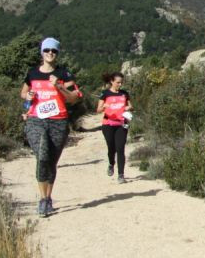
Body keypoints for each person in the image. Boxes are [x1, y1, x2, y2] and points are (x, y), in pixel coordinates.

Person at [20, 37, 82, 217]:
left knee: (52, 161)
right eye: (47, 50)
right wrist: (28, 96)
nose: (50, 53)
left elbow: (74, 98)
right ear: (41, 52)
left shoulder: (64, 74)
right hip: (35, 120)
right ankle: (41, 198)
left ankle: (48, 198)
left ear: (57, 54)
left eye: (54, 51)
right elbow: (23, 92)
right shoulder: (32, 73)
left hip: (58, 121)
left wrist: (59, 87)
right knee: (42, 155)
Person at [96, 71, 132, 183]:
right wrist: (104, 106)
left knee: (120, 148)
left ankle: (121, 175)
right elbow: (98, 110)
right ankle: (111, 163)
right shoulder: (105, 93)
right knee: (111, 148)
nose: (120, 85)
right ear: (112, 81)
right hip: (108, 124)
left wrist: (128, 108)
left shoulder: (124, 93)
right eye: (117, 82)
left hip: (122, 124)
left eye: (121, 83)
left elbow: (131, 105)